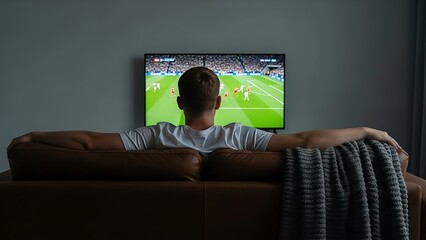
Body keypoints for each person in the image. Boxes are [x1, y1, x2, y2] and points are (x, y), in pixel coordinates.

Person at [7, 67, 403, 157]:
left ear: (178, 102)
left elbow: (90, 142)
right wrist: (368, 130)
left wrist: (34, 135)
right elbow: (306, 141)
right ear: (219, 102)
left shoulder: (153, 136)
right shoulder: (242, 137)